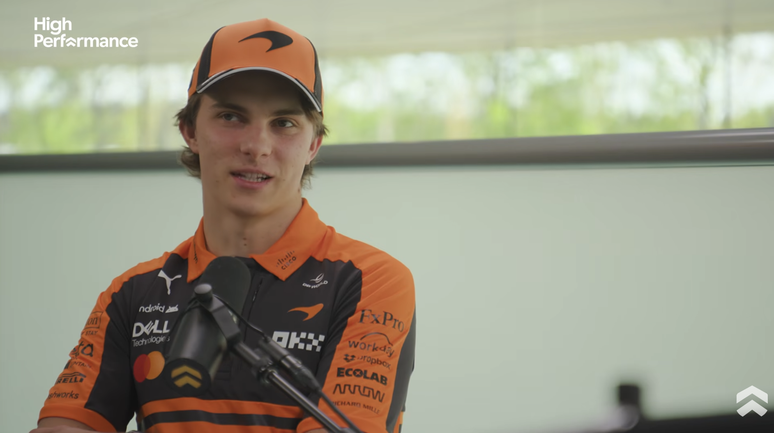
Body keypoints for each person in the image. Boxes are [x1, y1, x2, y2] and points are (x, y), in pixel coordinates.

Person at [32, 18, 416, 433]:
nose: (256, 146)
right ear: (190, 131)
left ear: (313, 145)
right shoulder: (132, 293)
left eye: (284, 123)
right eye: (232, 117)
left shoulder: (370, 281)